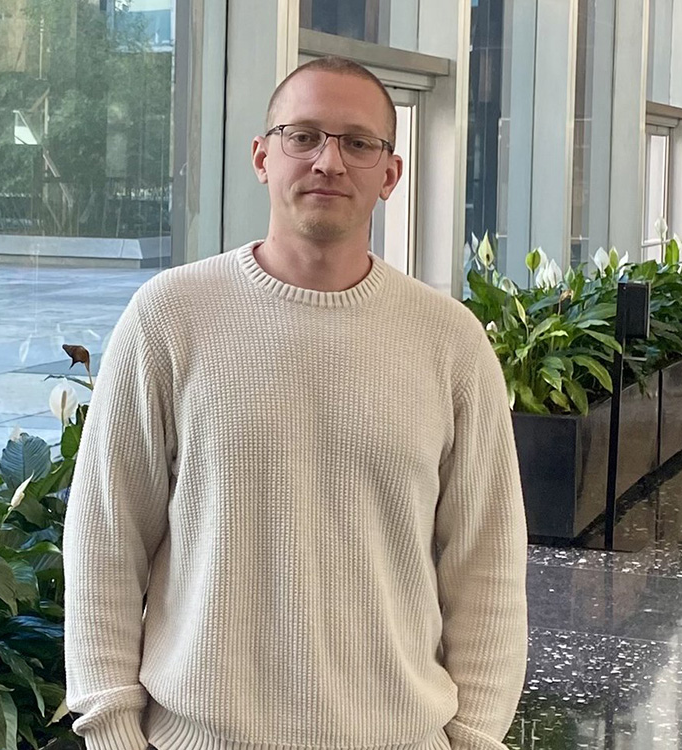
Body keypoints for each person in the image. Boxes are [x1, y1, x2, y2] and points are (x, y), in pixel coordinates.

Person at [64, 56, 527, 750]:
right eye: (303, 136)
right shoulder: (169, 317)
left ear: (390, 174)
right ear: (262, 157)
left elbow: (487, 562)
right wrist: (110, 732)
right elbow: (105, 537)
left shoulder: (450, 342)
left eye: (358, 142)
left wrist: (475, 737)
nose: (328, 161)